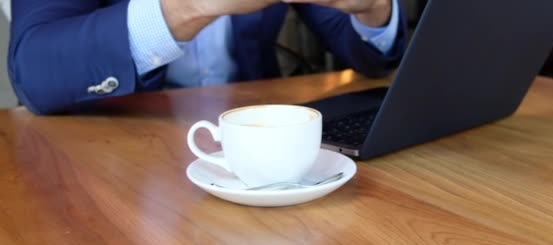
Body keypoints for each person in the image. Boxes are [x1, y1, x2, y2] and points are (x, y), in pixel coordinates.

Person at [8, 0, 407, 115]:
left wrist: (373, 10)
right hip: (114, 155)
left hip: (255, 146)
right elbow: (35, 70)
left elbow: (361, 49)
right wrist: (187, 8)